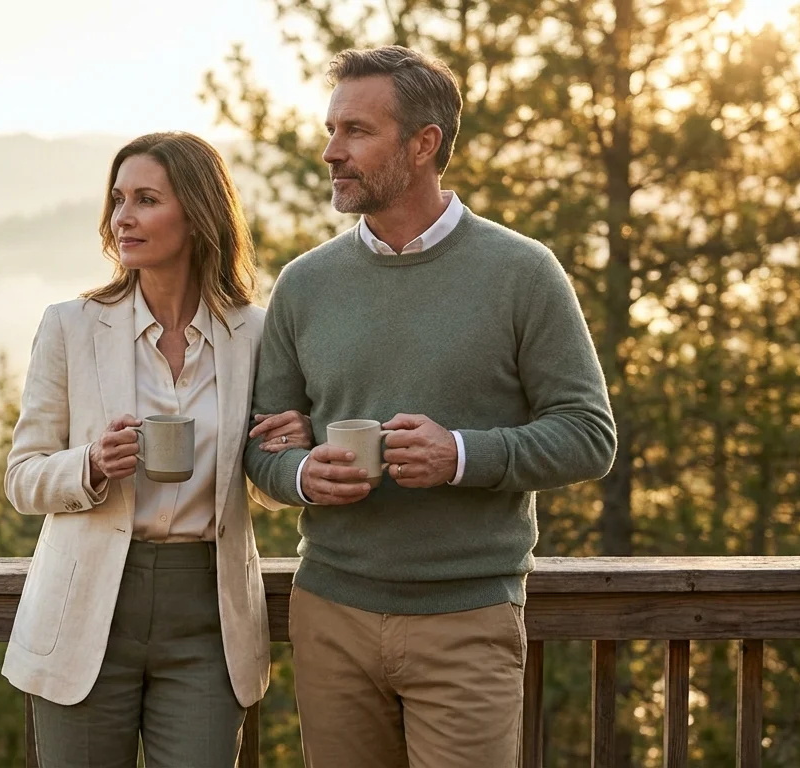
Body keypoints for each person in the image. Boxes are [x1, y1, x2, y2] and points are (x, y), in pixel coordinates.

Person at [243, 46, 617, 767]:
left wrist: (462, 455)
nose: (331, 152)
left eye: (356, 131)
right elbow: (262, 444)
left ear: (423, 144)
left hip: (468, 618)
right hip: (330, 614)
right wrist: (299, 476)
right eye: (331, 130)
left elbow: (588, 435)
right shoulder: (304, 284)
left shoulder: (522, 272)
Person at [3, 131, 312, 767]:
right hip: (86, 610)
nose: (123, 217)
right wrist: (90, 463)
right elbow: (22, 476)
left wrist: (290, 445)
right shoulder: (71, 325)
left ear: (198, 214)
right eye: (118, 199)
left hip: (209, 614)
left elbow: (260, 478)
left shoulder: (254, 332)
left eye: (146, 199)